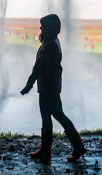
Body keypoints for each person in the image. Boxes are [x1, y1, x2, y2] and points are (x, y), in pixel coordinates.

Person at [20, 14, 86, 164]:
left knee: (58, 115)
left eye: (42, 26)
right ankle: (45, 150)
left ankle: (78, 147)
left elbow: (38, 67)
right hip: (49, 85)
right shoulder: (52, 42)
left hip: (49, 86)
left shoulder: (49, 45)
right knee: (47, 116)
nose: (40, 28)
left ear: (49, 28)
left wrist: (28, 86)